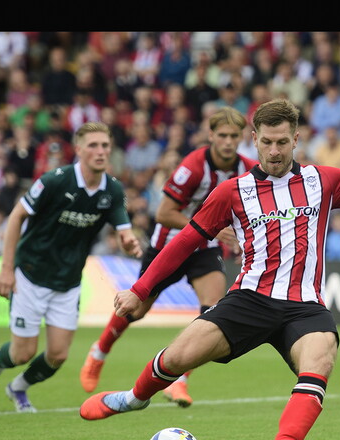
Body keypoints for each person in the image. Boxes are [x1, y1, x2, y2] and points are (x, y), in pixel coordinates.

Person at [79, 94, 340, 440]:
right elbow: (185, 241)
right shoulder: (233, 191)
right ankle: (134, 398)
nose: (274, 151)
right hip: (249, 299)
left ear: (296, 139)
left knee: (321, 357)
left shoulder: (323, 181)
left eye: (282, 142)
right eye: (267, 142)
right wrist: (140, 289)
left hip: (304, 305)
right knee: (178, 357)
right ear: (254, 139)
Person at [80, 107, 257, 406]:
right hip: (168, 246)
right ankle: (99, 351)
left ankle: (179, 381)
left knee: (213, 312)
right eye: (223, 135)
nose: (228, 142)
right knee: (136, 311)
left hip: (206, 249)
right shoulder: (193, 166)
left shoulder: (249, 169)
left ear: (242, 137)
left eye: (234, 136)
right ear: (211, 135)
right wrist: (211, 229)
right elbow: (163, 213)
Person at [0, 122, 143, 413]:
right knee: (22, 353)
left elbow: (124, 229)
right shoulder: (55, 180)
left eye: (105, 145)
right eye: (93, 145)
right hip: (30, 274)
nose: (100, 151)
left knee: (58, 355)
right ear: (78, 149)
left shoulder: (112, 189)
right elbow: (16, 217)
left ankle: (18, 387)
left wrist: (129, 241)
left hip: (68, 281)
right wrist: (6, 269)